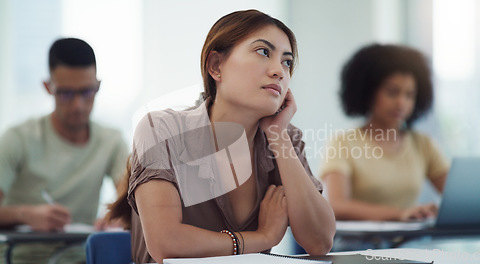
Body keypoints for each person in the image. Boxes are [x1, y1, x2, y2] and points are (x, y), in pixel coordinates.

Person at [108, 9, 335, 263]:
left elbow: (319, 242)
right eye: (263, 52)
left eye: (287, 61)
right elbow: (166, 244)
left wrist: (277, 135)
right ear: (216, 66)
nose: (279, 71)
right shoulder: (162, 128)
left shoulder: (285, 138)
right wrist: (263, 237)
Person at [0, 38, 129, 262]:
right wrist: (26, 215)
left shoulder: (111, 142)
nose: (78, 105)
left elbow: (131, 199)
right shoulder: (18, 139)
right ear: (48, 87)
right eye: (67, 94)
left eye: (87, 92)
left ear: (98, 85)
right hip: (23, 257)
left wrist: (118, 217)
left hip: (82, 257)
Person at [320, 43, 449, 222]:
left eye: (409, 95)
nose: (401, 103)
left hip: (410, 245)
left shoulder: (423, 144)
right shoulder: (343, 143)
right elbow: (337, 206)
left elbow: (458, 198)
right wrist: (399, 214)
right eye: (392, 92)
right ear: (369, 92)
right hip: (356, 246)